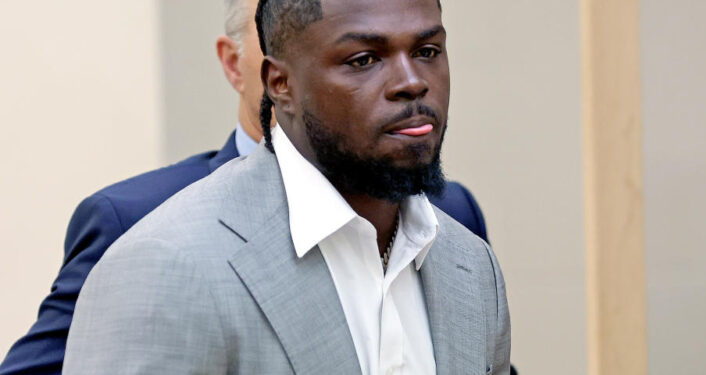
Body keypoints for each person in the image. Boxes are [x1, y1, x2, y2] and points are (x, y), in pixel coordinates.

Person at [0, 0, 497, 374]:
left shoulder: (470, 263)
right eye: (364, 59)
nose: (412, 82)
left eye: (428, 51)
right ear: (278, 84)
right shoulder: (162, 257)